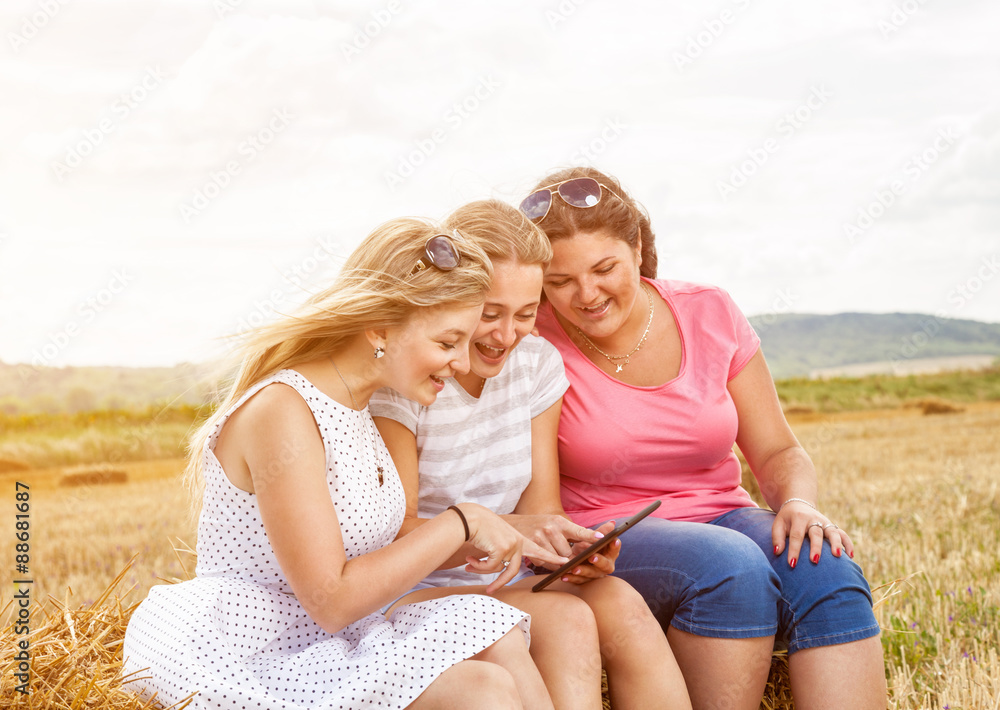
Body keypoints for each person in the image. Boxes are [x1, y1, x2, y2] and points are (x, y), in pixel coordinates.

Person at [122, 217, 576, 710]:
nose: (463, 363)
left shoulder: (362, 409)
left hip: (325, 639)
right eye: (447, 343)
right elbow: (331, 600)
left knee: (495, 629)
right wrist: (463, 522)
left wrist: (494, 537)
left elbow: (378, 554)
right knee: (484, 691)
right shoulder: (283, 411)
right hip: (253, 648)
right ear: (380, 329)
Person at [518, 167, 888, 710]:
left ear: (638, 246)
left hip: (724, 515)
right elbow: (539, 503)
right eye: (560, 281)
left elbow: (777, 449)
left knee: (824, 565)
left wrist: (800, 503)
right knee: (729, 565)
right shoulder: (532, 339)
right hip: (606, 535)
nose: (586, 294)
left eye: (604, 269)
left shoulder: (709, 309)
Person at [371, 200, 691, 710]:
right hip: (417, 589)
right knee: (567, 622)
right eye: (489, 314)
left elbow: (542, 511)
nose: (505, 336)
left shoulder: (536, 364)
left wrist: (565, 549)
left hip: (508, 578)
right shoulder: (411, 381)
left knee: (624, 607)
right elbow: (393, 531)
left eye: (524, 314)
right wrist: (500, 534)